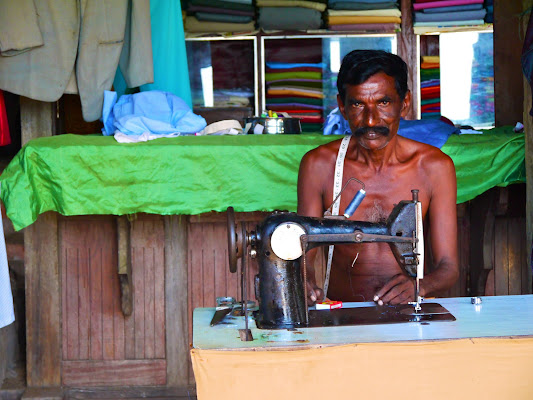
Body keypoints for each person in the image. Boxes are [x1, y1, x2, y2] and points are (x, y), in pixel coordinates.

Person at [297, 50, 458, 305]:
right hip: (340, 314)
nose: (371, 120)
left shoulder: (434, 167)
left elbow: (448, 267)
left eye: (383, 103)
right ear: (342, 106)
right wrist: (304, 283)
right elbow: (304, 252)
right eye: (358, 104)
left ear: (404, 103)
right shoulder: (318, 166)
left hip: (408, 313)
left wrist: (420, 286)